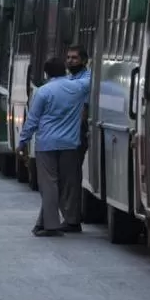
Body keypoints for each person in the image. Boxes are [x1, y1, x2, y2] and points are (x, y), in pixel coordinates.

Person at [17, 57, 91, 237]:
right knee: (67, 185)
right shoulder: (78, 88)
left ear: (46, 73)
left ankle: (51, 226)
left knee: (49, 185)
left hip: (46, 145)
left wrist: (22, 141)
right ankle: (51, 222)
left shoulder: (43, 92)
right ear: (64, 70)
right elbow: (92, 78)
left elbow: (33, 120)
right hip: (70, 145)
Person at [61, 44, 91, 228]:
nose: (70, 61)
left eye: (75, 58)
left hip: (76, 132)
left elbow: (83, 111)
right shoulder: (70, 78)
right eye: (69, 58)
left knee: (71, 176)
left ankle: (72, 220)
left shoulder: (85, 80)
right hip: (68, 132)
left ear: (84, 61)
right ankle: (70, 216)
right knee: (66, 176)